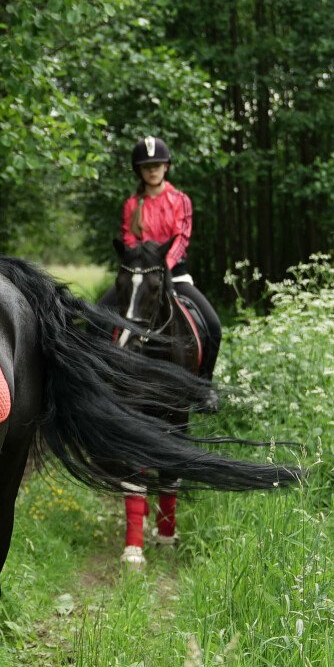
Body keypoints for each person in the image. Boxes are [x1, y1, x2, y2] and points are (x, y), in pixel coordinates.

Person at [117, 135, 223, 565]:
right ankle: (105, 378)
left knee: (211, 323)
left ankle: (203, 384)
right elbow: (126, 237)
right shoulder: (132, 204)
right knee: (104, 315)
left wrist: (163, 262)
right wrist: (138, 259)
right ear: (140, 172)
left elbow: (182, 237)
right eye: (146, 166)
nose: (153, 170)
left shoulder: (180, 200)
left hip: (174, 275)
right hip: (139, 272)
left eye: (158, 165)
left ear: (167, 167)